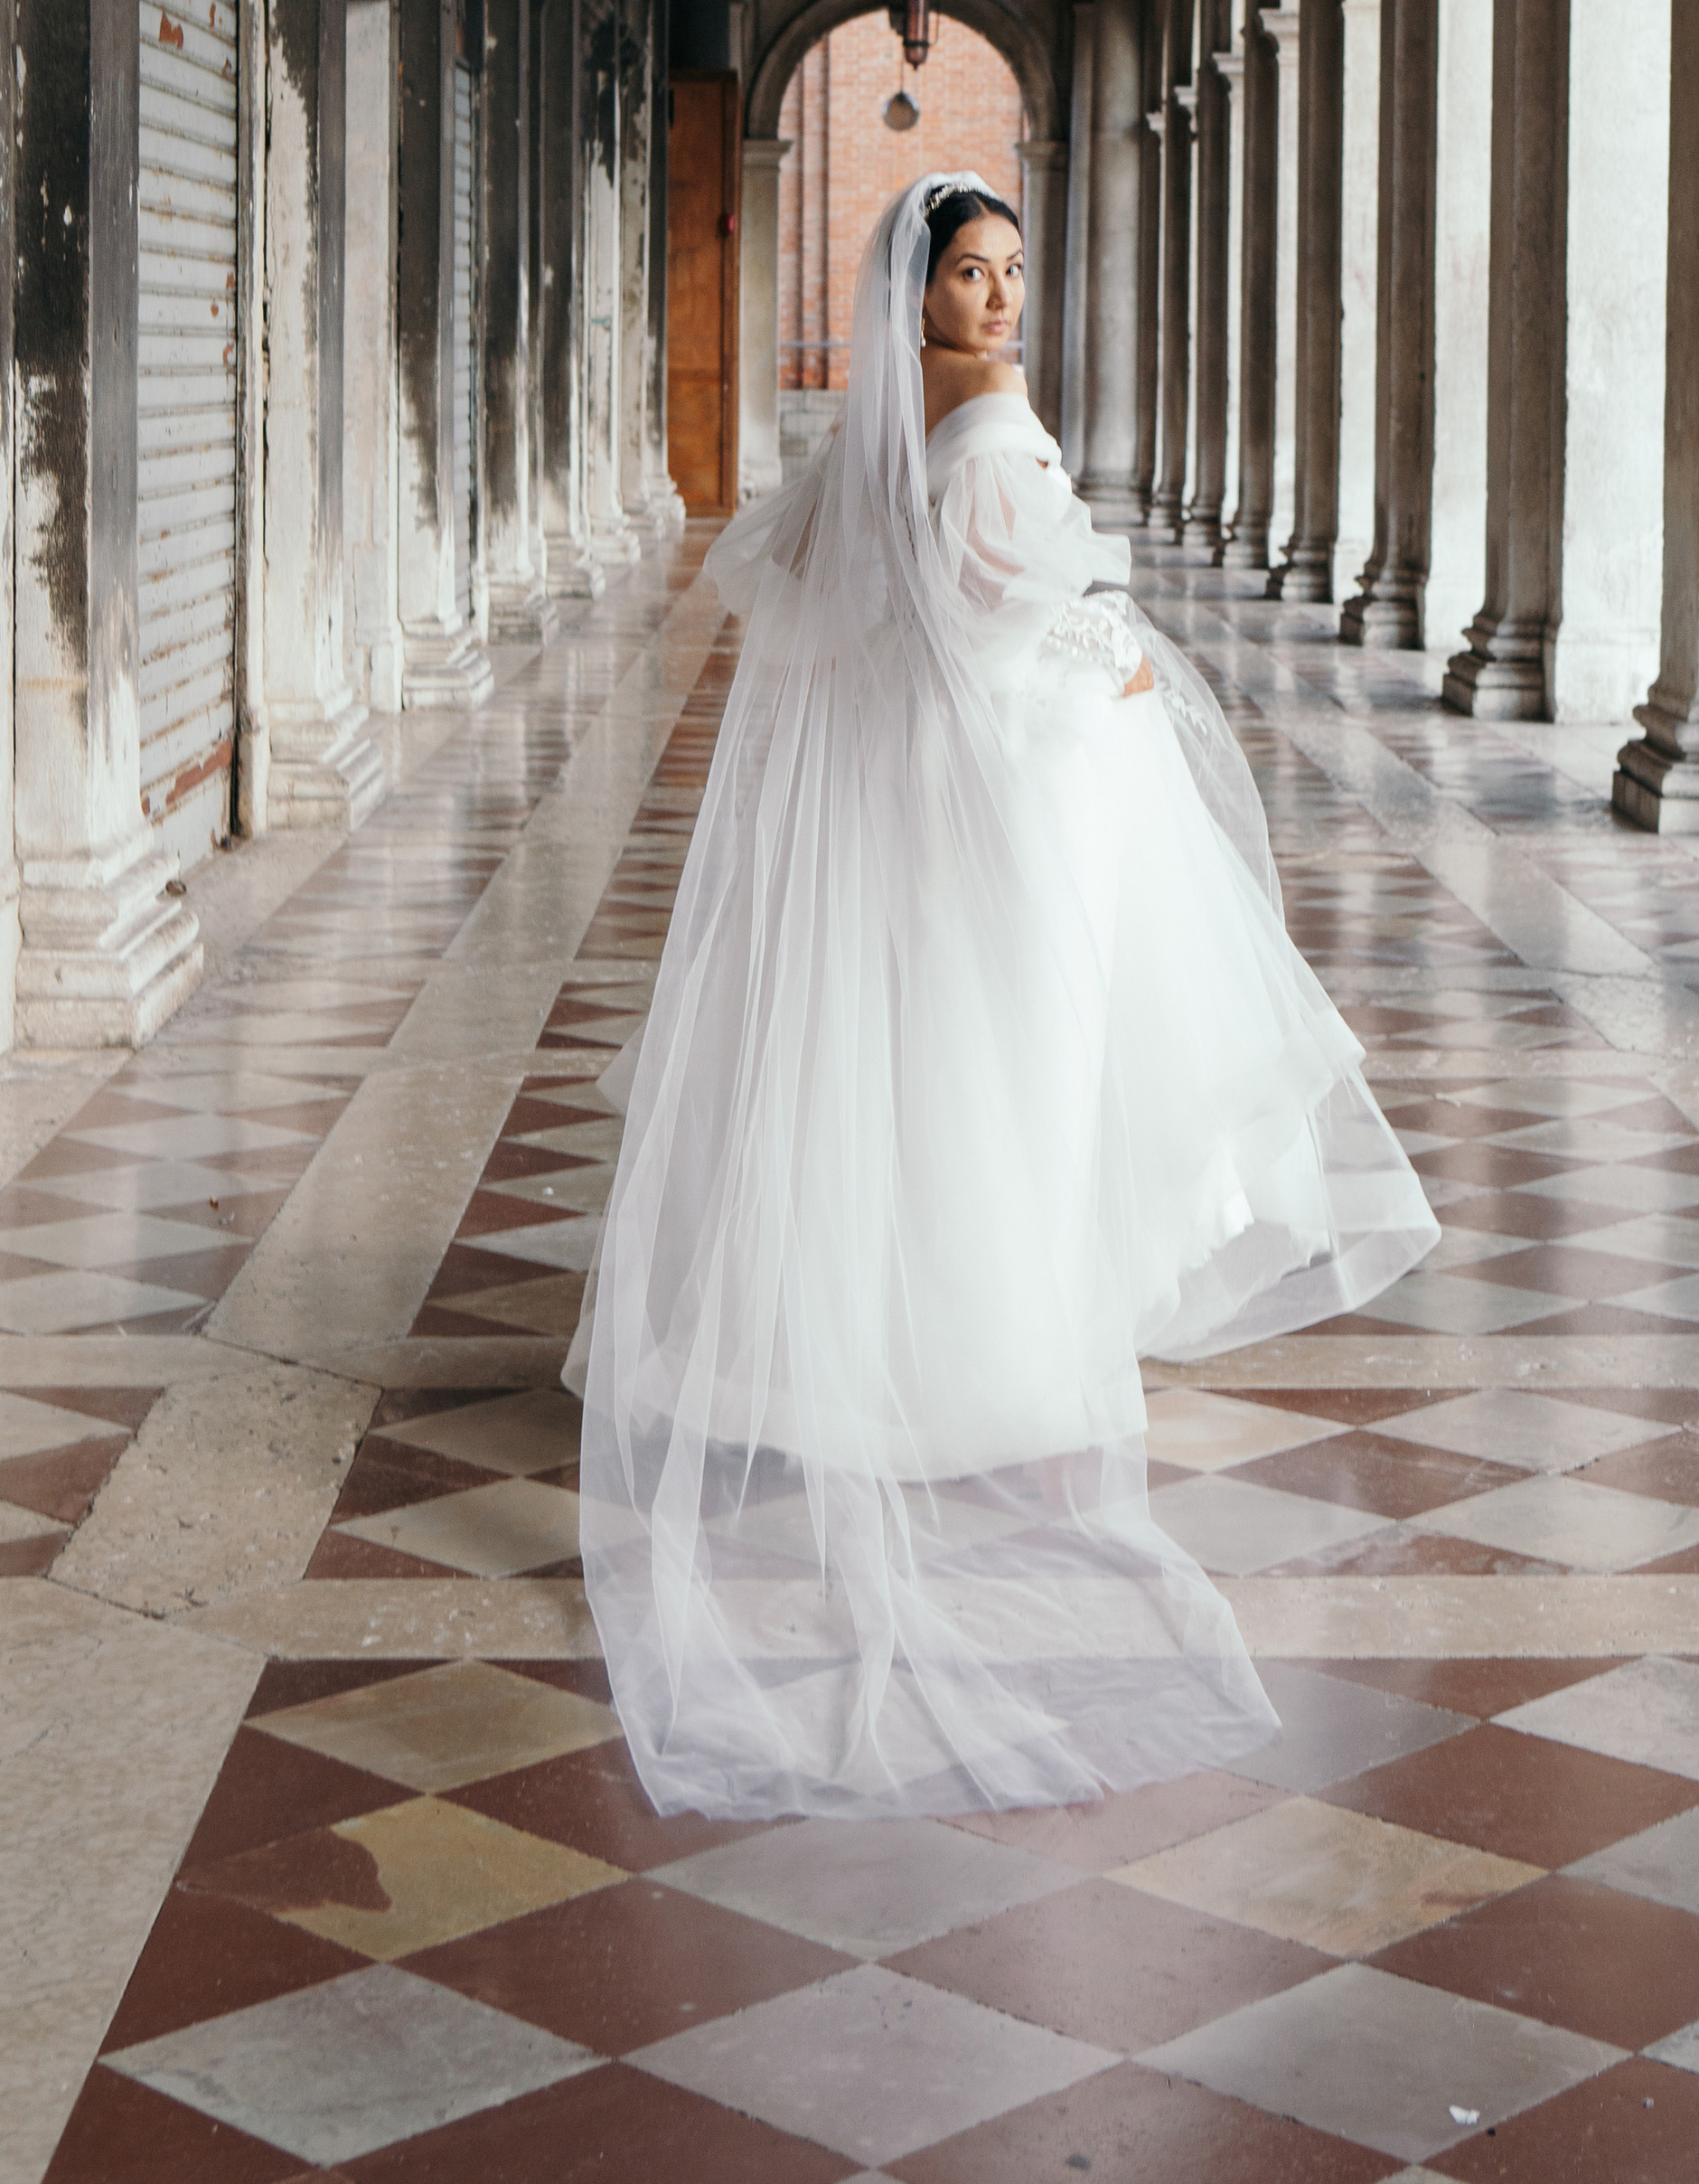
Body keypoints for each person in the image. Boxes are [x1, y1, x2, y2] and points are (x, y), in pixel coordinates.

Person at [574, 171, 1437, 1820]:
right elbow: (1017, 635)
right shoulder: (996, 452)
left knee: (930, 1068)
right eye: (971, 275)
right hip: (1018, 807)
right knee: (1015, 1069)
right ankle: (997, 1360)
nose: (999, 298)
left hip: (933, 804)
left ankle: (902, 1337)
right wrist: (1112, 653)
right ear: (917, 299)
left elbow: (838, 638)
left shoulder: (884, 459)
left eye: (1012, 272)